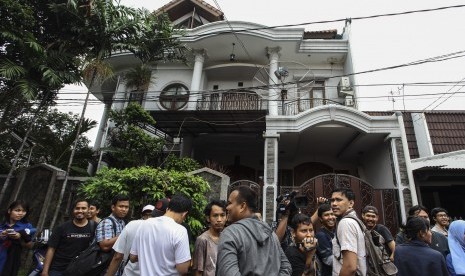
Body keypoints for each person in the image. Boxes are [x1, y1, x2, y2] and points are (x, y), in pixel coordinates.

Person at [216, 185, 291, 275]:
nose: (227, 207)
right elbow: (286, 267)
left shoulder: (230, 234)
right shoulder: (271, 234)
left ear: (242, 206)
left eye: (230, 203)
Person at [129, 194, 192, 275]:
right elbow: (182, 269)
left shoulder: (144, 224)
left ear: (167, 209)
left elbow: (132, 257)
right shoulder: (180, 230)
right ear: (184, 214)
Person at [105, 198, 170, 276]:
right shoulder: (171, 230)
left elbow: (118, 256)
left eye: (150, 214)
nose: (148, 217)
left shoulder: (132, 225)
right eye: (146, 214)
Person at [41, 199, 95, 276]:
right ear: (73, 210)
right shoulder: (62, 228)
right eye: (77, 208)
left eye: (83, 208)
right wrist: (45, 271)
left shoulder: (94, 227)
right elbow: (51, 249)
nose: (80, 211)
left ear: (88, 210)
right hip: (58, 269)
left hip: (80, 270)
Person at [330, 187, 366, 276]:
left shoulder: (346, 223)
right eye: (332, 200)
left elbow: (350, 267)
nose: (334, 204)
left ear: (351, 203)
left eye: (338, 200)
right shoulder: (353, 220)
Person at [193, 199, 227, 276]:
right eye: (215, 215)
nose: (219, 220)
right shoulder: (202, 240)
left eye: (222, 215)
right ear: (208, 218)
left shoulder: (227, 238)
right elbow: (198, 272)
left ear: (227, 217)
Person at [0, 200, 34, 276]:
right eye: (17, 210)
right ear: (9, 211)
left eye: (24, 211)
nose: (21, 213)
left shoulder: (27, 226)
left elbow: (30, 245)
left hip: (12, 258)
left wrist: (21, 235)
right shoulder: (2, 225)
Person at [314, 203, 335, 276]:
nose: (330, 217)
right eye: (326, 215)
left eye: (332, 214)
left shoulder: (334, 233)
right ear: (320, 218)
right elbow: (329, 260)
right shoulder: (321, 235)